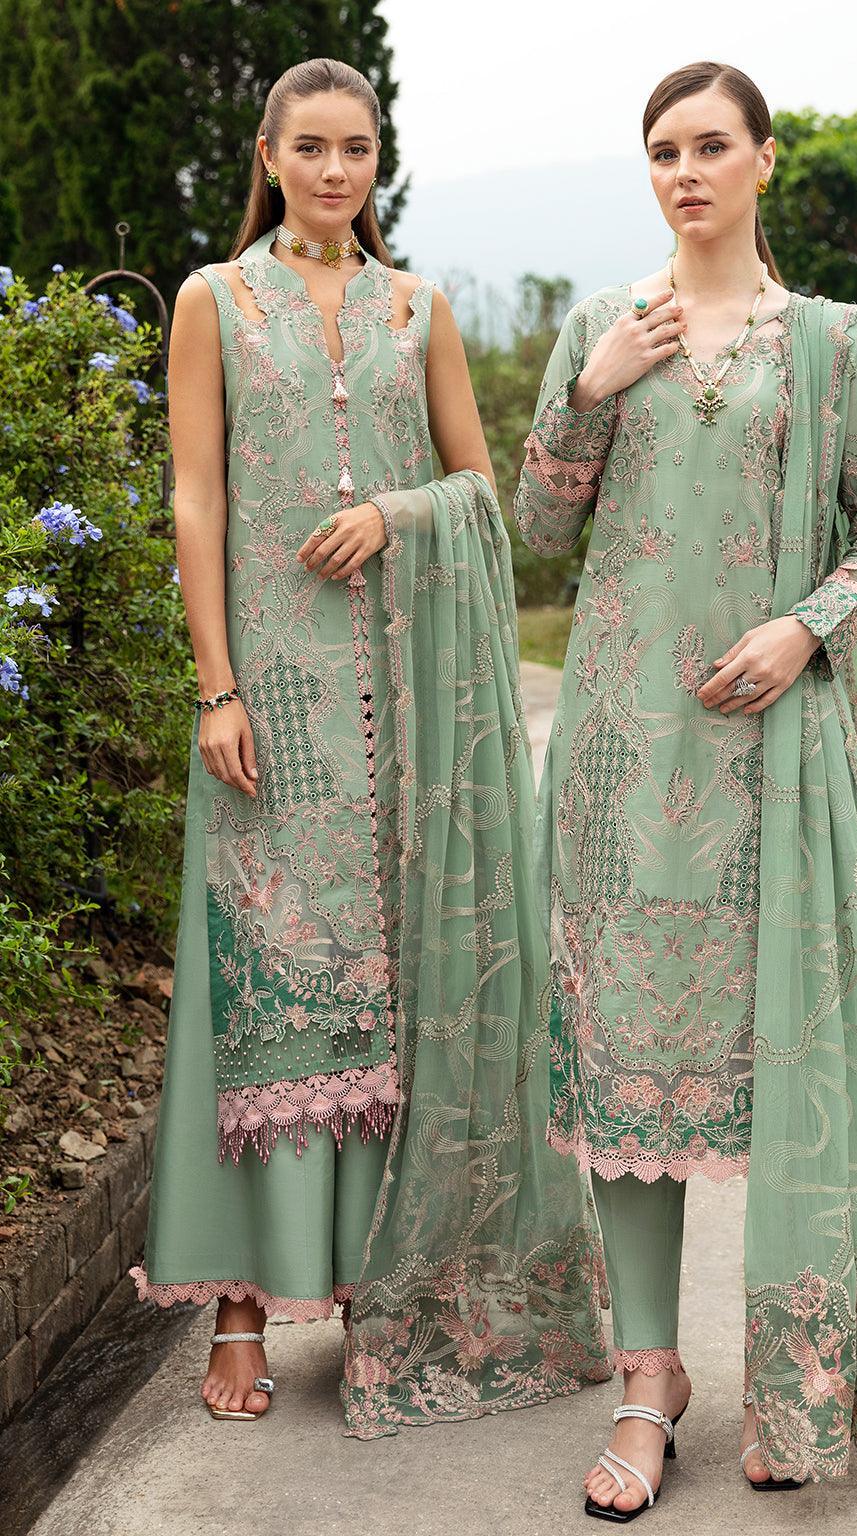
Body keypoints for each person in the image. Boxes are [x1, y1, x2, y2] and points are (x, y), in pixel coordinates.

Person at [130, 56, 610, 1437]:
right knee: (265, 977)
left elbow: (482, 492)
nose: (335, 171)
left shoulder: (418, 308)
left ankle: (385, 1294)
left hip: (411, 708)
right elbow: (196, 495)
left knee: (403, 990)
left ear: (376, 162)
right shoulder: (214, 302)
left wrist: (397, 513)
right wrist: (216, 688)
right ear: (269, 157)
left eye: (356, 149)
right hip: (274, 704)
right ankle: (241, 1305)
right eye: (312, 149)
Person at [514, 59, 857, 1517]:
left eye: (709, 146)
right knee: (631, 1081)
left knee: (791, 1072)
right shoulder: (605, 324)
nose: (684, 172)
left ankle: (800, 1380)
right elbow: (539, 529)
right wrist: (590, 390)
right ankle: (650, 1385)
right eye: (661, 151)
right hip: (623, 762)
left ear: (765, 159)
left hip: (778, 761)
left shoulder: (822, 343)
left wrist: (802, 628)